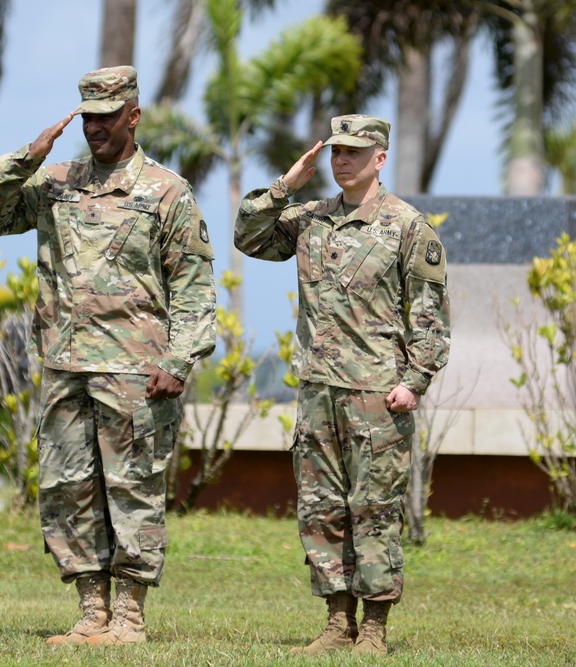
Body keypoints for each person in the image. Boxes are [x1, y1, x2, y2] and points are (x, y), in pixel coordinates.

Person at [0, 66, 217, 645]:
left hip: (136, 372)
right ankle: (90, 613)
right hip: (65, 365)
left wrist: (178, 362)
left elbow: (196, 288)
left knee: (132, 491)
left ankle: (128, 616)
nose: (96, 127)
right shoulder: (54, 182)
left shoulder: (165, 192)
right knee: (68, 490)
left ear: (134, 116)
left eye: (107, 116)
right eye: (88, 117)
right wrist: (24, 160)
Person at [235, 115, 451, 656]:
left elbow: (430, 315)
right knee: (320, 508)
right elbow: (248, 237)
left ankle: (374, 629)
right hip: (317, 391)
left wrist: (415, 380)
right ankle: (337, 623)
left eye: (354, 152)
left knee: (374, 509)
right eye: (335, 152)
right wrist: (287, 185)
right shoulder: (311, 218)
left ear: (380, 158)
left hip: (378, 395)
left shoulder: (407, 226)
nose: (342, 161)